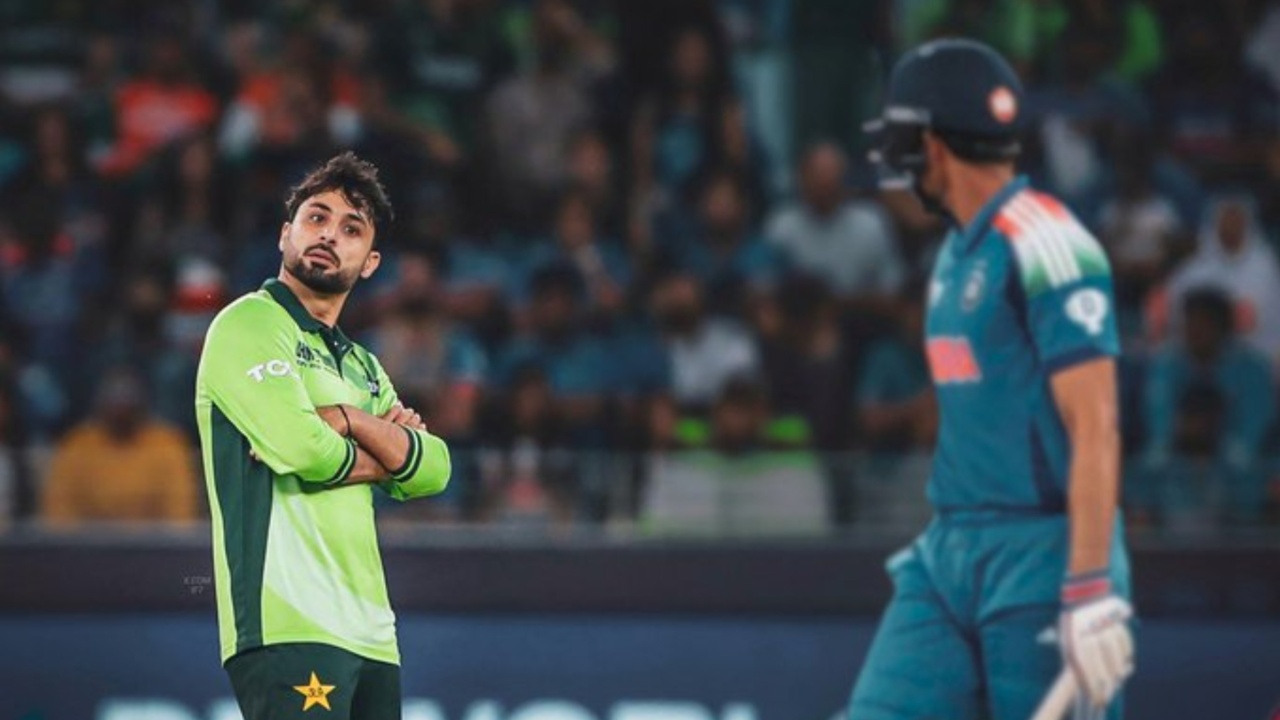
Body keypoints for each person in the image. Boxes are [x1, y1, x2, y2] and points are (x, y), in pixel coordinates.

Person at [851, 39, 1133, 719]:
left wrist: (1090, 589)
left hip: (1042, 556)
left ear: (935, 144)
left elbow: (1096, 426)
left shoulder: (1048, 242)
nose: (898, 158)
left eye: (905, 137)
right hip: (948, 553)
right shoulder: (954, 250)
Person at [195, 153, 451, 719]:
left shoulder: (361, 365)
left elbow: (435, 469)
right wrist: (385, 450)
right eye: (316, 218)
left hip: (371, 630)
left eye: (351, 229)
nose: (329, 235)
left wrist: (353, 420)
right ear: (286, 233)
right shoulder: (250, 323)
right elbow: (302, 448)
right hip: (288, 620)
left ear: (370, 263)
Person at [40, 366, 196, 526]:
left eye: (128, 399)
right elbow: (59, 514)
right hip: (87, 546)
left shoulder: (167, 443)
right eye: (114, 399)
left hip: (153, 546)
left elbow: (179, 516)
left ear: (143, 402)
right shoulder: (77, 444)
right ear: (99, 403)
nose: (121, 409)